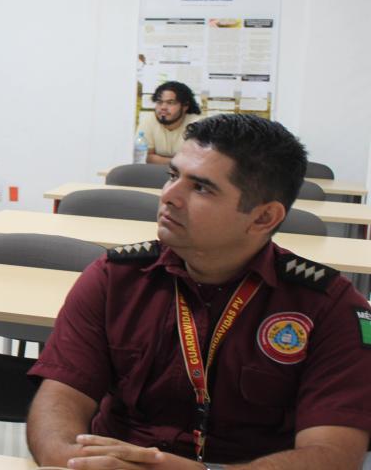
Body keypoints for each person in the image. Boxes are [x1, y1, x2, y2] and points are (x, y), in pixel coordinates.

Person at [26, 114, 371, 469]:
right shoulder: (115, 278)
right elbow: (58, 401)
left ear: (263, 218)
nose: (169, 197)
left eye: (202, 187)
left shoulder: (329, 307)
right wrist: (71, 461)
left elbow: (333, 456)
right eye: (173, 176)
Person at [136, 81, 202, 165]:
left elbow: (197, 162)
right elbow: (145, 157)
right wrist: (179, 162)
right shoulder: (148, 121)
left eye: (170, 103)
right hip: (155, 174)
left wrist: (158, 159)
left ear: (185, 106)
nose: (163, 107)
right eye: (159, 102)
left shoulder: (198, 125)